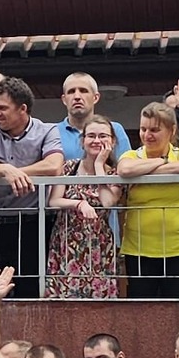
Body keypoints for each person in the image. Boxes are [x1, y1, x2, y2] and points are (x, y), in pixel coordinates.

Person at [0, 76, 65, 288]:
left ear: (22, 109)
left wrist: (15, 172)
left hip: (32, 225)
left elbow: (54, 165)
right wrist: (6, 170)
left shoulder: (47, 130)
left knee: (30, 291)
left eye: (3, 108)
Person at [115, 102, 179, 294]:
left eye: (154, 130)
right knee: (142, 308)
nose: (147, 135)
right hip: (138, 249)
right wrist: (162, 161)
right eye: (143, 129)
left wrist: (144, 171)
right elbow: (125, 170)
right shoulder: (131, 155)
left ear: (172, 130)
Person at [45, 115, 124, 298]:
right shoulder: (69, 168)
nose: (97, 140)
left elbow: (107, 202)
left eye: (103, 136)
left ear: (112, 141)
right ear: (82, 141)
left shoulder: (115, 174)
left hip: (98, 244)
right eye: (91, 136)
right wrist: (79, 204)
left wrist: (99, 165)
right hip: (67, 242)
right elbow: (54, 200)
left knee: (99, 298)